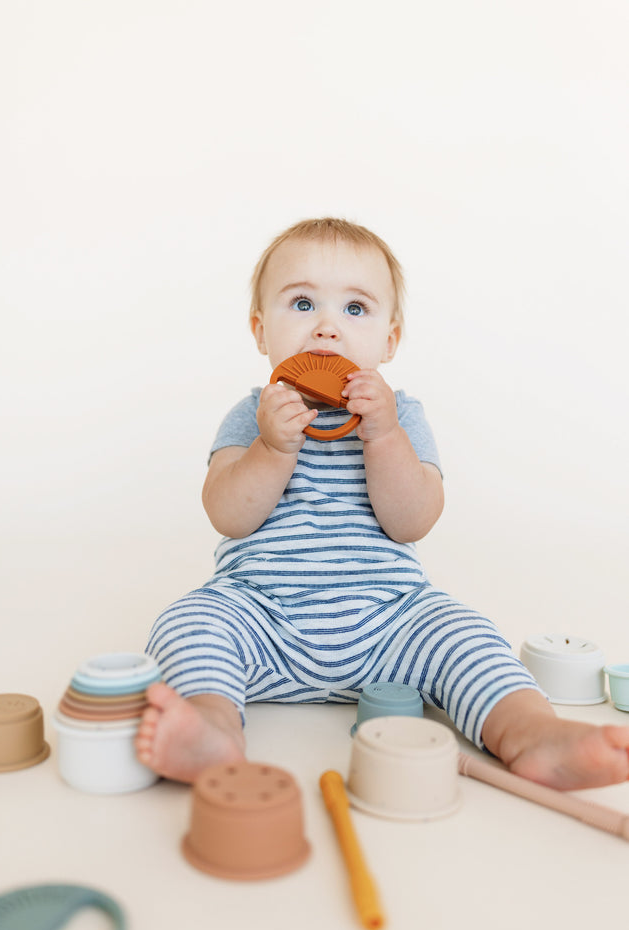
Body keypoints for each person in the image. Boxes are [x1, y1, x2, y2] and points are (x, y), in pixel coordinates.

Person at [136, 217, 629, 791]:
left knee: (462, 632)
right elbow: (228, 514)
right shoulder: (252, 415)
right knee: (189, 622)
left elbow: (412, 520)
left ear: (389, 341)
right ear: (259, 330)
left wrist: (385, 437)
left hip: (391, 621)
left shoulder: (402, 417)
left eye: (355, 309)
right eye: (301, 303)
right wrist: (272, 447)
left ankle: (533, 734)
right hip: (261, 617)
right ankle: (212, 728)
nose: (326, 329)